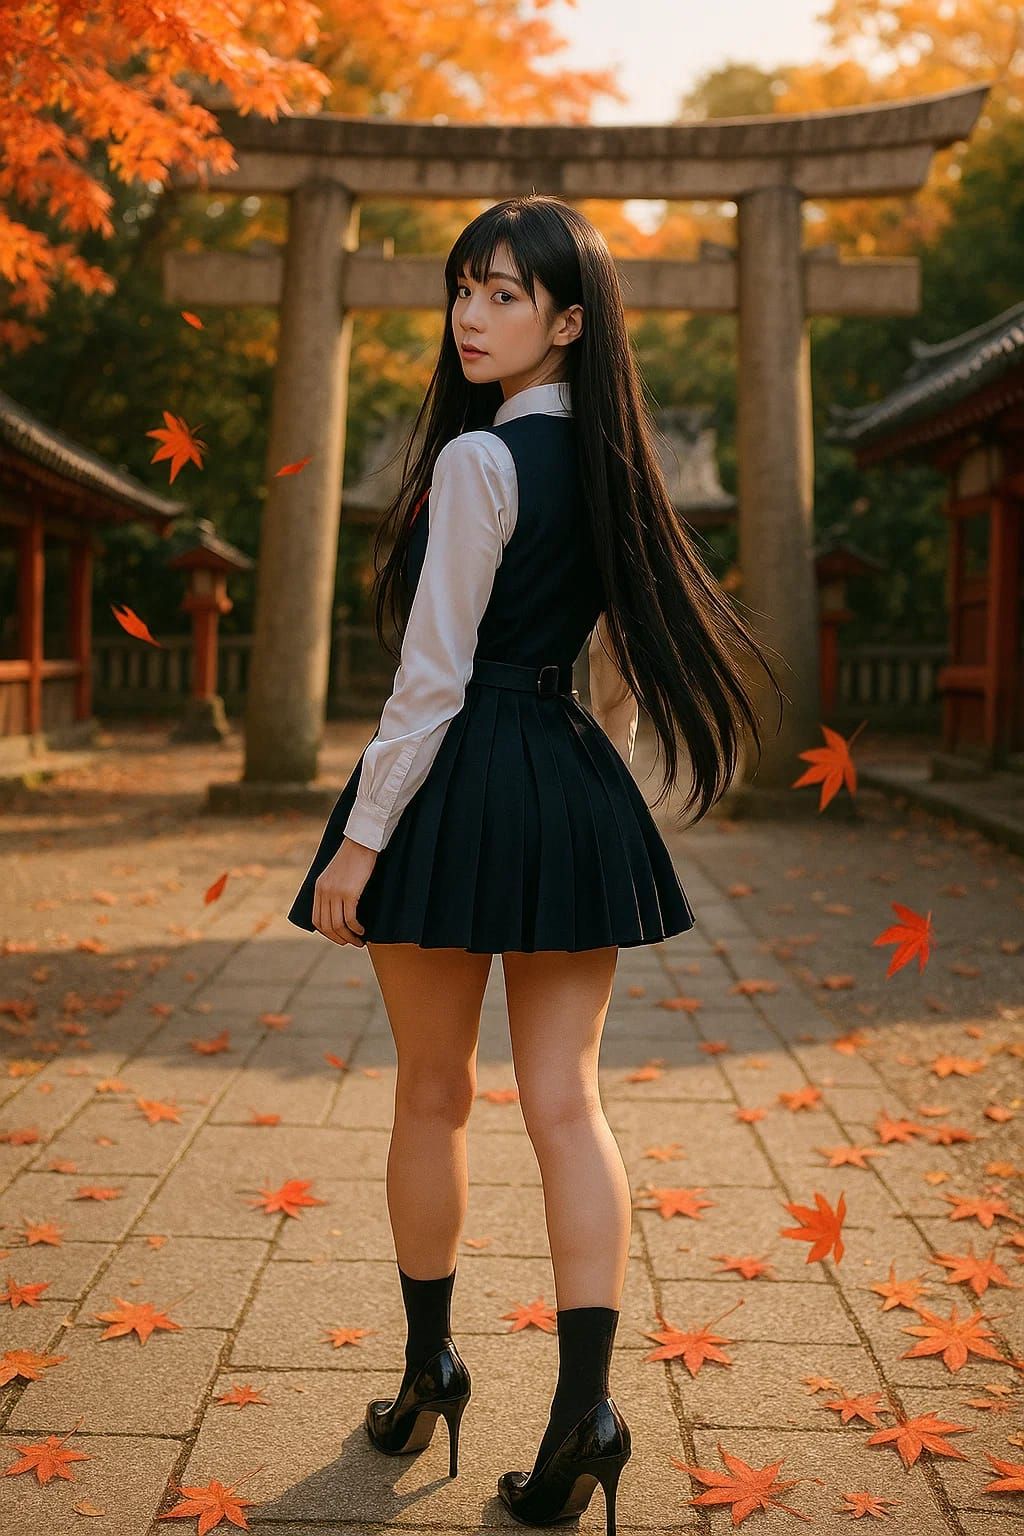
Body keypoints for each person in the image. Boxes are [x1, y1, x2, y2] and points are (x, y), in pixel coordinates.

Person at [286, 194, 784, 1533]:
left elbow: (430, 681)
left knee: (432, 1097)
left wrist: (361, 843)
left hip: (454, 792)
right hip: (566, 780)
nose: (471, 313)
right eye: (464, 288)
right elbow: (616, 673)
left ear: (569, 320)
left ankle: (428, 1372)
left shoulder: (475, 465)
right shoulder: (615, 469)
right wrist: (585, 769)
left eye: (506, 294)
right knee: (568, 1102)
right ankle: (588, 1414)